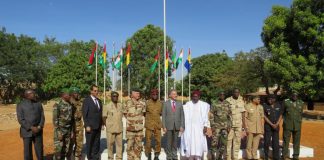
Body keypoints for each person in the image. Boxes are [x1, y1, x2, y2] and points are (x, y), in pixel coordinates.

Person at [180, 90, 210, 160]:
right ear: (191, 97)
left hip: (199, 128)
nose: (195, 98)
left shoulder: (204, 105)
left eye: (196, 97)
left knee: (199, 143)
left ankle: (198, 157)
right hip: (189, 128)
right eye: (193, 96)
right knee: (190, 142)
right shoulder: (188, 104)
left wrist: (205, 126)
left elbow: (206, 116)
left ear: (199, 97)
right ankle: (191, 157)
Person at [17, 89, 45, 160]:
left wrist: (39, 126)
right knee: (27, 151)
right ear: (27, 95)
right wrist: (31, 127)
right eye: (32, 94)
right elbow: (21, 119)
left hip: (38, 131)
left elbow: (42, 116)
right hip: (27, 132)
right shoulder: (20, 105)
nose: (34, 95)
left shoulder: (38, 103)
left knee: (39, 150)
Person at [123, 88, 146, 160]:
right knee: (129, 147)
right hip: (130, 130)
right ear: (132, 94)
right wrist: (132, 121)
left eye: (139, 93)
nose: (138, 95)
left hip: (139, 130)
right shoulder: (127, 102)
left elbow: (143, 113)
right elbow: (125, 113)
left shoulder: (143, 103)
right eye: (137, 93)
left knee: (138, 147)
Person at [162, 89, 185, 160]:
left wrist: (182, 125)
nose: (176, 95)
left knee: (175, 141)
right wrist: (164, 126)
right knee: (168, 142)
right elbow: (163, 116)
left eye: (176, 94)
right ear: (170, 95)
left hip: (177, 126)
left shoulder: (179, 103)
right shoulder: (166, 103)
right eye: (174, 94)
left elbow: (182, 115)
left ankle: (174, 155)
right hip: (168, 126)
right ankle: (169, 156)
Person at [82, 85, 103, 160]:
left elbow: (100, 114)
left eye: (97, 91)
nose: (97, 92)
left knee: (97, 143)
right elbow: (84, 114)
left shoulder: (99, 101)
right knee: (90, 143)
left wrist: (102, 124)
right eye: (95, 91)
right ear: (91, 91)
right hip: (90, 127)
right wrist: (87, 125)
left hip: (98, 126)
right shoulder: (87, 100)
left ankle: (96, 157)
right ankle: (90, 158)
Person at [209, 91, 232, 160]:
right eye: (221, 95)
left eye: (223, 95)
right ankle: (213, 156)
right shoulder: (214, 103)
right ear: (219, 95)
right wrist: (212, 125)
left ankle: (220, 156)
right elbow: (211, 115)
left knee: (224, 143)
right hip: (216, 126)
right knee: (214, 142)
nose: (222, 96)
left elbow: (230, 116)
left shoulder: (227, 104)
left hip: (225, 127)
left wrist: (229, 125)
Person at [53, 88, 74, 160]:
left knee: (66, 150)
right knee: (58, 152)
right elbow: (55, 120)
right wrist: (58, 132)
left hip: (68, 131)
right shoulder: (57, 104)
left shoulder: (70, 104)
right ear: (64, 95)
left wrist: (71, 131)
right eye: (69, 94)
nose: (70, 96)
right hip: (60, 131)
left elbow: (71, 120)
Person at [282, 92, 304, 160]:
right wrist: (285, 121)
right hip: (288, 125)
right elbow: (282, 112)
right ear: (291, 95)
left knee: (297, 141)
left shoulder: (301, 103)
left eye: (296, 95)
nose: (295, 97)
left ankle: (295, 156)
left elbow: (301, 114)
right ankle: (284, 156)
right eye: (293, 95)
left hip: (297, 125)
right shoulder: (286, 102)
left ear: (298, 96)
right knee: (286, 141)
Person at [226, 88, 246, 160]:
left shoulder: (241, 101)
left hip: (238, 125)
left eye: (238, 92)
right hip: (230, 125)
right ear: (233, 93)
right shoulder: (228, 100)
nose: (237, 93)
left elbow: (243, 114)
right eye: (235, 92)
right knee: (228, 141)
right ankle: (228, 157)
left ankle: (235, 157)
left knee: (237, 141)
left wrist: (244, 125)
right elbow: (225, 114)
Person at [103, 91, 123, 160]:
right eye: (114, 96)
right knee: (110, 145)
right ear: (111, 97)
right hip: (110, 129)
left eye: (116, 96)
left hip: (119, 128)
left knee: (119, 145)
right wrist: (107, 125)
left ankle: (119, 158)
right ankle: (110, 158)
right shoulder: (107, 106)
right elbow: (104, 117)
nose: (115, 97)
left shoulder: (120, 105)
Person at [145, 89, 163, 160]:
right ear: (151, 95)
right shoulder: (147, 103)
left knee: (158, 140)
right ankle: (149, 154)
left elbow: (161, 113)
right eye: (153, 94)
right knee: (148, 140)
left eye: (156, 94)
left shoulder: (161, 103)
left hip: (157, 125)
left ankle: (156, 154)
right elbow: (144, 113)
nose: (155, 95)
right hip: (149, 125)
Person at [263, 94, 282, 160]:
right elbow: (264, 116)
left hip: (276, 127)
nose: (269, 100)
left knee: (275, 143)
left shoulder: (278, 105)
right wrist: (271, 124)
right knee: (267, 142)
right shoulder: (265, 106)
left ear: (274, 99)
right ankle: (266, 157)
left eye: (271, 99)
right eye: (268, 99)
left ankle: (276, 157)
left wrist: (277, 124)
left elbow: (281, 115)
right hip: (268, 127)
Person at [245, 95, 264, 160]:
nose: (259, 100)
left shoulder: (260, 107)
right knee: (249, 144)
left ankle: (254, 156)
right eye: (258, 99)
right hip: (250, 128)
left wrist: (262, 128)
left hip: (258, 128)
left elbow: (262, 118)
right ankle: (249, 157)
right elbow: (245, 118)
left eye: (259, 99)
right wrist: (246, 127)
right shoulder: (247, 106)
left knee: (256, 144)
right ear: (253, 99)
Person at [69, 87, 83, 160]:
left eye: (78, 93)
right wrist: (71, 130)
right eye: (76, 93)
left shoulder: (80, 102)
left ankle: (77, 157)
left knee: (79, 144)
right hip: (72, 126)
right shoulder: (69, 103)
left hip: (79, 126)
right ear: (72, 94)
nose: (77, 94)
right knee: (70, 144)